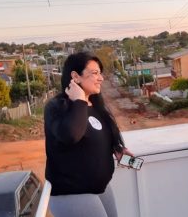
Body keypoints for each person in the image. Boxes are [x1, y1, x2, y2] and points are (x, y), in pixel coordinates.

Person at [44, 52, 132, 217]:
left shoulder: (96, 106)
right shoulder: (57, 106)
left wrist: (119, 152)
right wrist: (79, 101)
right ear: (75, 76)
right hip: (72, 194)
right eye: (94, 73)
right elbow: (71, 135)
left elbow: (98, 141)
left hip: (100, 189)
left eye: (100, 73)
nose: (101, 78)